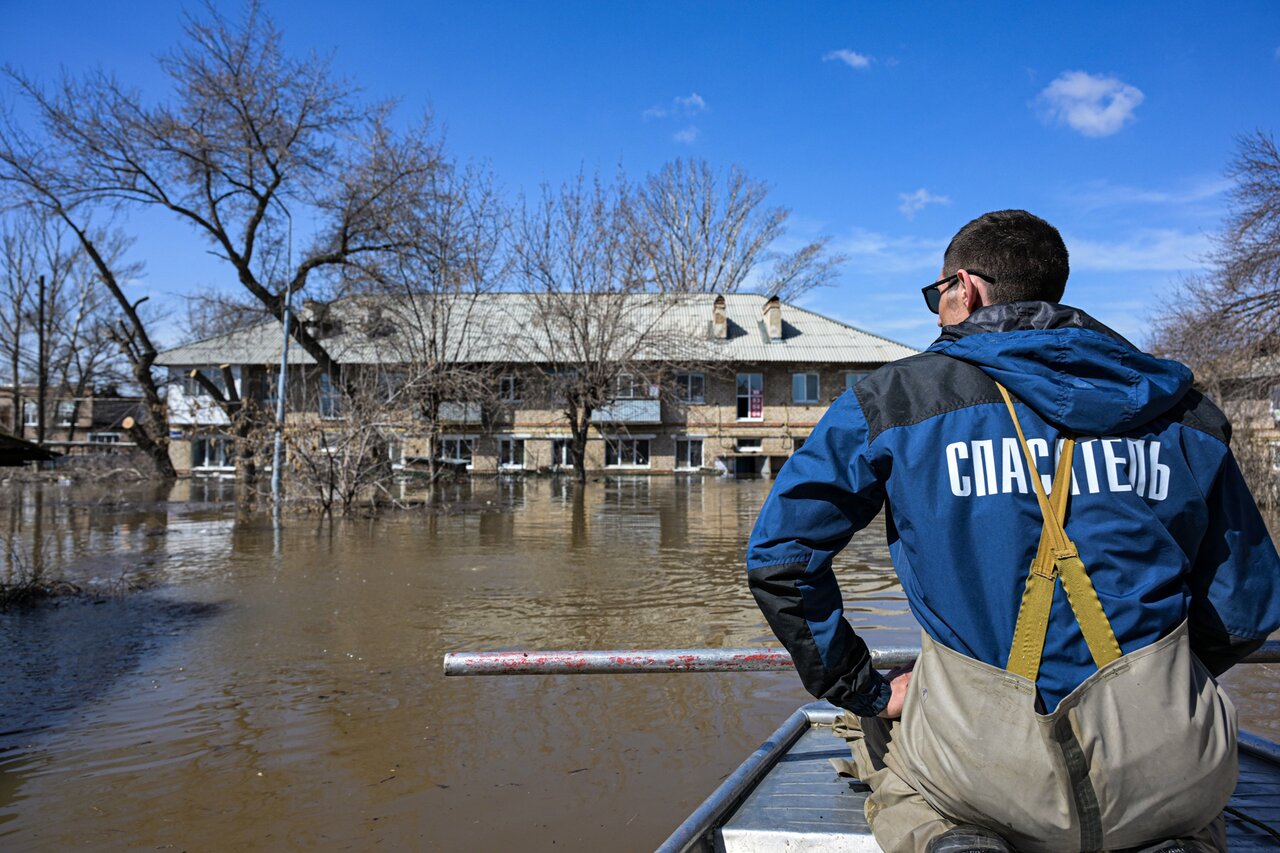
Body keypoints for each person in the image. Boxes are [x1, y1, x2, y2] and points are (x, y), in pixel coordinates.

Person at [746, 210, 1280, 853]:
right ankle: (1172, 838)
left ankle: (956, 836)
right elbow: (1247, 604)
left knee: (911, 789)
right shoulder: (1183, 410)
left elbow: (781, 558)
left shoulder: (895, 401)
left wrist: (860, 685)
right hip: (1169, 761)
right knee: (1183, 804)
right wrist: (1158, 683)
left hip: (979, 769)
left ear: (963, 289)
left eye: (934, 295)